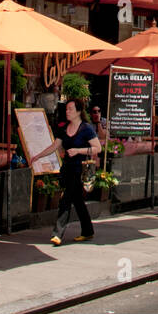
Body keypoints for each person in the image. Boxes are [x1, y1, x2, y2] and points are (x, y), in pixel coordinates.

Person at [31, 98, 101, 244]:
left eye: (70, 109)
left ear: (78, 112)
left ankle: (57, 233)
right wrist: (37, 156)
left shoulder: (86, 128)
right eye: (66, 109)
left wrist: (78, 150)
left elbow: (97, 148)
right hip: (67, 169)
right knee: (78, 201)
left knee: (66, 199)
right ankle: (88, 231)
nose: (67, 112)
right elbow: (54, 146)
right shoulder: (64, 129)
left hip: (79, 170)